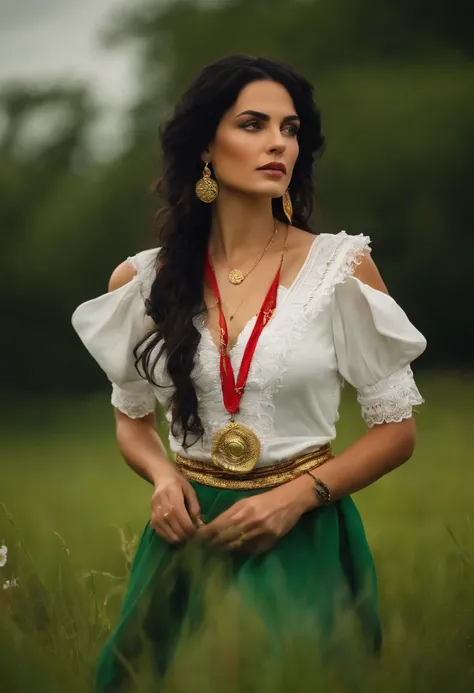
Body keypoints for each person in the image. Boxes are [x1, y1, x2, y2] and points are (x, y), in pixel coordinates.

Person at [72, 55, 427, 690]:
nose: (277, 144)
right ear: (207, 144)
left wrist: (295, 499)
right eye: (254, 124)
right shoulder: (144, 280)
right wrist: (160, 476)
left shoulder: (340, 267)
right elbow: (132, 422)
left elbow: (396, 431)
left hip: (302, 527)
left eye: (290, 130)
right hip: (188, 536)